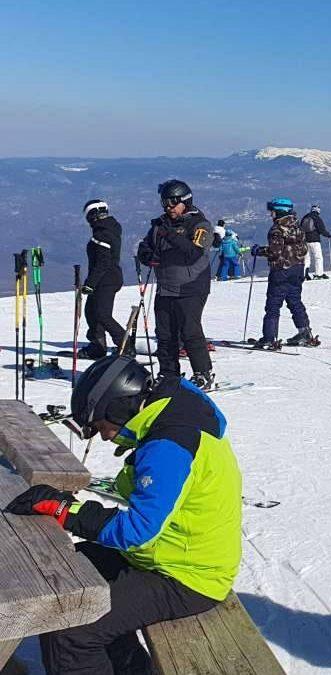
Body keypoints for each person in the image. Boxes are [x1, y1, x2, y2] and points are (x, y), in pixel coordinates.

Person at [5, 355, 241, 674]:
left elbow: (137, 530)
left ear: (119, 407)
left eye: (103, 426)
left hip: (188, 576)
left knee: (72, 628)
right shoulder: (171, 410)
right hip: (165, 556)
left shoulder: (169, 445)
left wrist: (64, 510)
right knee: (67, 572)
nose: (104, 436)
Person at [136, 179, 216, 389]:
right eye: (165, 203)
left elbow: (193, 252)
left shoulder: (200, 224)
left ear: (185, 202)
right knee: (165, 334)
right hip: (165, 286)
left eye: (173, 203)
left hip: (191, 286)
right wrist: (146, 255)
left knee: (190, 331)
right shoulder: (160, 225)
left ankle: (203, 373)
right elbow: (146, 245)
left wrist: (169, 235)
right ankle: (169, 374)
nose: (168, 208)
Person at [250, 198, 318, 349]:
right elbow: (303, 249)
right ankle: (305, 332)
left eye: (272, 212)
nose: (271, 215)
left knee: (273, 304)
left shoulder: (277, 229)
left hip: (281, 270)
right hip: (298, 269)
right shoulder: (298, 227)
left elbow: (274, 252)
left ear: (279, 212)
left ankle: (269, 338)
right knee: (295, 301)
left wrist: (258, 251)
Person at [79, 200, 128, 359]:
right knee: (91, 311)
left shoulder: (103, 233)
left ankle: (126, 345)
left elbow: (103, 262)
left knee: (102, 314)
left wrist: (90, 284)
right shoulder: (109, 229)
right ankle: (97, 346)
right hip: (106, 278)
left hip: (106, 280)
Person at [300, 203, 331, 280]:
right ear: (318, 211)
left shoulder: (305, 217)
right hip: (315, 240)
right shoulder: (317, 218)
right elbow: (321, 230)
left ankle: (304, 275)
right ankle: (318, 274)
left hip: (304, 240)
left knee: (306, 258)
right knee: (318, 257)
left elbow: (300, 228)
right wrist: (328, 235)